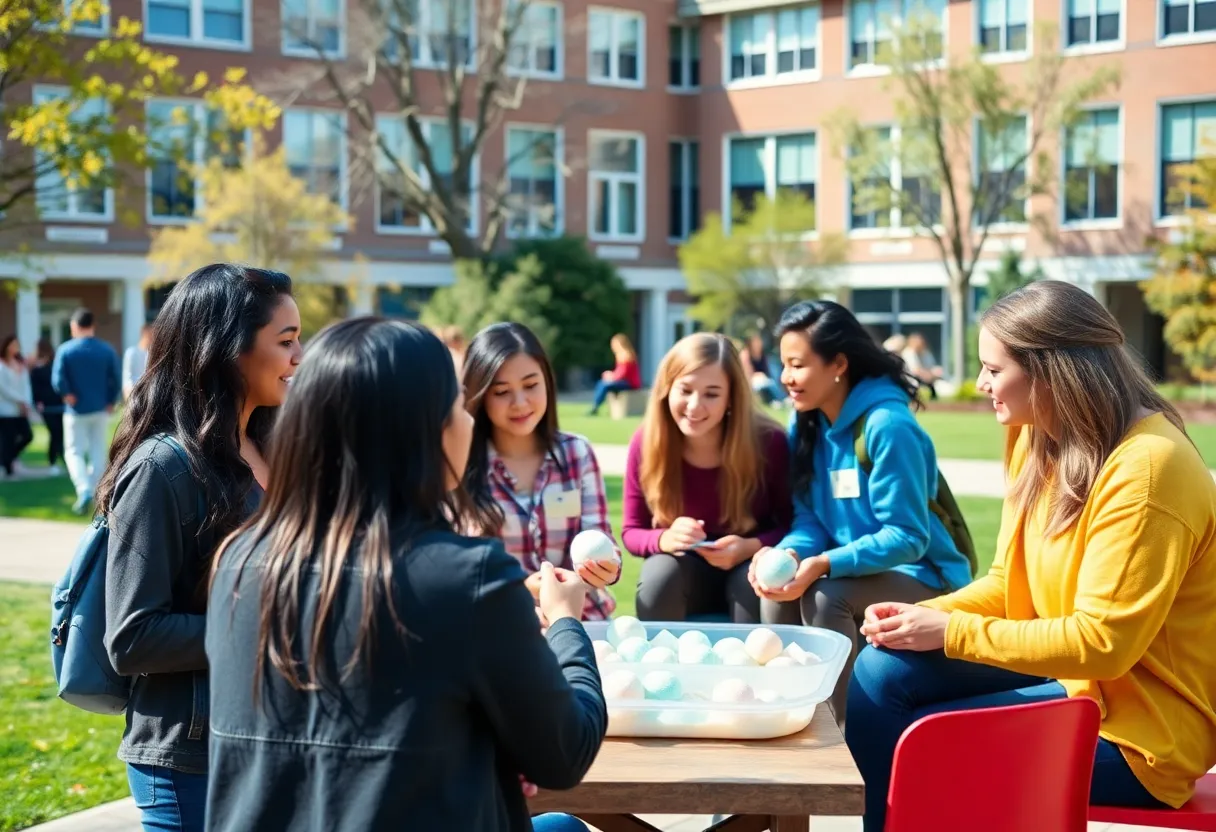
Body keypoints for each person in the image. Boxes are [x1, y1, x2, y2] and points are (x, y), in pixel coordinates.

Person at [206, 318, 606, 832]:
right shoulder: (468, 578)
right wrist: (566, 623)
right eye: (458, 404)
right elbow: (564, 753)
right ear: (424, 432)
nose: (469, 419)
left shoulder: (238, 562)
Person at [847, 281, 1216, 832]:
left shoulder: (1148, 471)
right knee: (881, 671)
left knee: (926, 742)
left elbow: (1102, 644)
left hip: (1141, 738)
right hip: (1074, 688)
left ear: (1055, 371)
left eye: (994, 370)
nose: (980, 384)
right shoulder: (1037, 432)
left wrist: (948, 631)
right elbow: (1007, 581)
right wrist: (921, 619)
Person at [95, 264, 300, 832]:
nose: (299, 357)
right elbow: (133, 637)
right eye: (286, 341)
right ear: (228, 350)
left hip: (276, 743)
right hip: (193, 762)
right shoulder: (163, 469)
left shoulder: (273, 449)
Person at [749, 301, 970, 732]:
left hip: (926, 575)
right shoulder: (806, 424)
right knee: (776, 592)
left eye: (797, 365)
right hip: (858, 571)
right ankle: (782, 718)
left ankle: (845, 737)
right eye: (784, 364)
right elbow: (810, 519)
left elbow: (908, 537)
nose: (785, 378)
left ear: (838, 365)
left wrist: (826, 563)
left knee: (826, 596)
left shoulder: (888, 426)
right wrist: (791, 554)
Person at [624, 332, 792, 623]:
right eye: (685, 390)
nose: (694, 406)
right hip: (682, 574)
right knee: (659, 575)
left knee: (754, 582)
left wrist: (751, 547)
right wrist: (664, 538)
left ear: (731, 398)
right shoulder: (646, 442)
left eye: (712, 394)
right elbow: (631, 530)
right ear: (667, 389)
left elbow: (793, 523)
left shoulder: (769, 442)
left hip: (748, 567)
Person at [461, 322, 622, 620]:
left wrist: (607, 568)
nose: (520, 402)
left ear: (547, 381)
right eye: (502, 391)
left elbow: (599, 536)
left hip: (583, 624)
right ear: (480, 395)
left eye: (531, 385)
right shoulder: (461, 464)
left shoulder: (577, 453)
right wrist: (522, 588)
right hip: (500, 627)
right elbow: (457, 574)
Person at [51, 308, 121, 514]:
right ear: (93, 325)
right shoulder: (106, 350)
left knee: (74, 450)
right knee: (98, 449)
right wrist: (110, 399)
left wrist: (66, 393)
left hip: (75, 410)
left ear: (74, 326)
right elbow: (115, 378)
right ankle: (98, 491)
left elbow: (57, 379)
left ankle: (83, 490)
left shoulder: (66, 349)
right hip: (100, 407)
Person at [30, 339, 65, 476]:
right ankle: (53, 462)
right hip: (48, 406)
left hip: (57, 404)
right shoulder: (37, 368)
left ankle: (60, 460)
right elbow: (35, 388)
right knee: (55, 433)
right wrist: (37, 401)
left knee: (59, 434)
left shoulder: (55, 365)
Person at [0, 335, 34, 479]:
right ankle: (7, 467)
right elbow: (4, 388)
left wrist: (26, 402)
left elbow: (26, 385)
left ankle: (8, 460)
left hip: (21, 409)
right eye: (12, 345)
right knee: (7, 439)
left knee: (27, 435)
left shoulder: (21, 364)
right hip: (7, 409)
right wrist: (20, 400)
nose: (15, 348)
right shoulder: (2, 365)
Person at [588, 333, 641, 416]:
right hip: (624, 381)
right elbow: (619, 372)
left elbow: (623, 374)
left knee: (604, 385)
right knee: (602, 383)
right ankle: (596, 406)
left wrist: (611, 376)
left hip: (630, 383)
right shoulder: (621, 355)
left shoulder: (626, 355)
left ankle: (595, 407)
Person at [740, 333, 786, 405]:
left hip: (763, 379)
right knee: (770, 383)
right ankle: (782, 399)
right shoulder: (745, 355)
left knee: (771, 382)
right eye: (756, 342)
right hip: (752, 381)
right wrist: (757, 375)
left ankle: (780, 399)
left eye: (759, 342)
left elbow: (766, 371)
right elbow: (747, 374)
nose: (758, 344)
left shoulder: (762, 355)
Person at [901, 332, 942, 399]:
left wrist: (931, 374)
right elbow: (914, 370)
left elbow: (931, 367)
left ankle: (933, 397)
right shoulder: (908, 353)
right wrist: (926, 374)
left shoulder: (925, 353)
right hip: (910, 377)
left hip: (925, 375)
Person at [123, 324, 153, 399]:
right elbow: (127, 378)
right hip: (134, 394)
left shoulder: (151, 354)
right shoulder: (131, 352)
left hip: (147, 395)